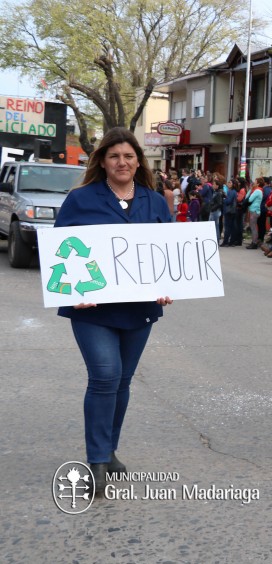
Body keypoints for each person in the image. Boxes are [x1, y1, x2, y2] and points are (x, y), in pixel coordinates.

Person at [53, 127, 173, 495]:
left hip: (138, 309)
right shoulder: (80, 199)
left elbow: (169, 253)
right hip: (92, 309)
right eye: (114, 156)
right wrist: (73, 289)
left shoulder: (155, 202)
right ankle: (97, 462)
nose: (123, 162)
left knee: (122, 382)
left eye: (129, 156)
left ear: (139, 161)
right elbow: (59, 251)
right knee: (105, 376)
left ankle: (110, 448)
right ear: (102, 162)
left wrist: (169, 287)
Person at [245, 179, 263, 249]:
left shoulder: (257, 191)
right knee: (253, 227)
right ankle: (254, 242)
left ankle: (254, 243)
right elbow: (247, 197)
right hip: (254, 211)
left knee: (253, 228)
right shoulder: (256, 190)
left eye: (255, 182)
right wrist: (250, 189)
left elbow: (249, 199)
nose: (253, 183)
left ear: (258, 184)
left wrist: (250, 190)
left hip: (255, 211)